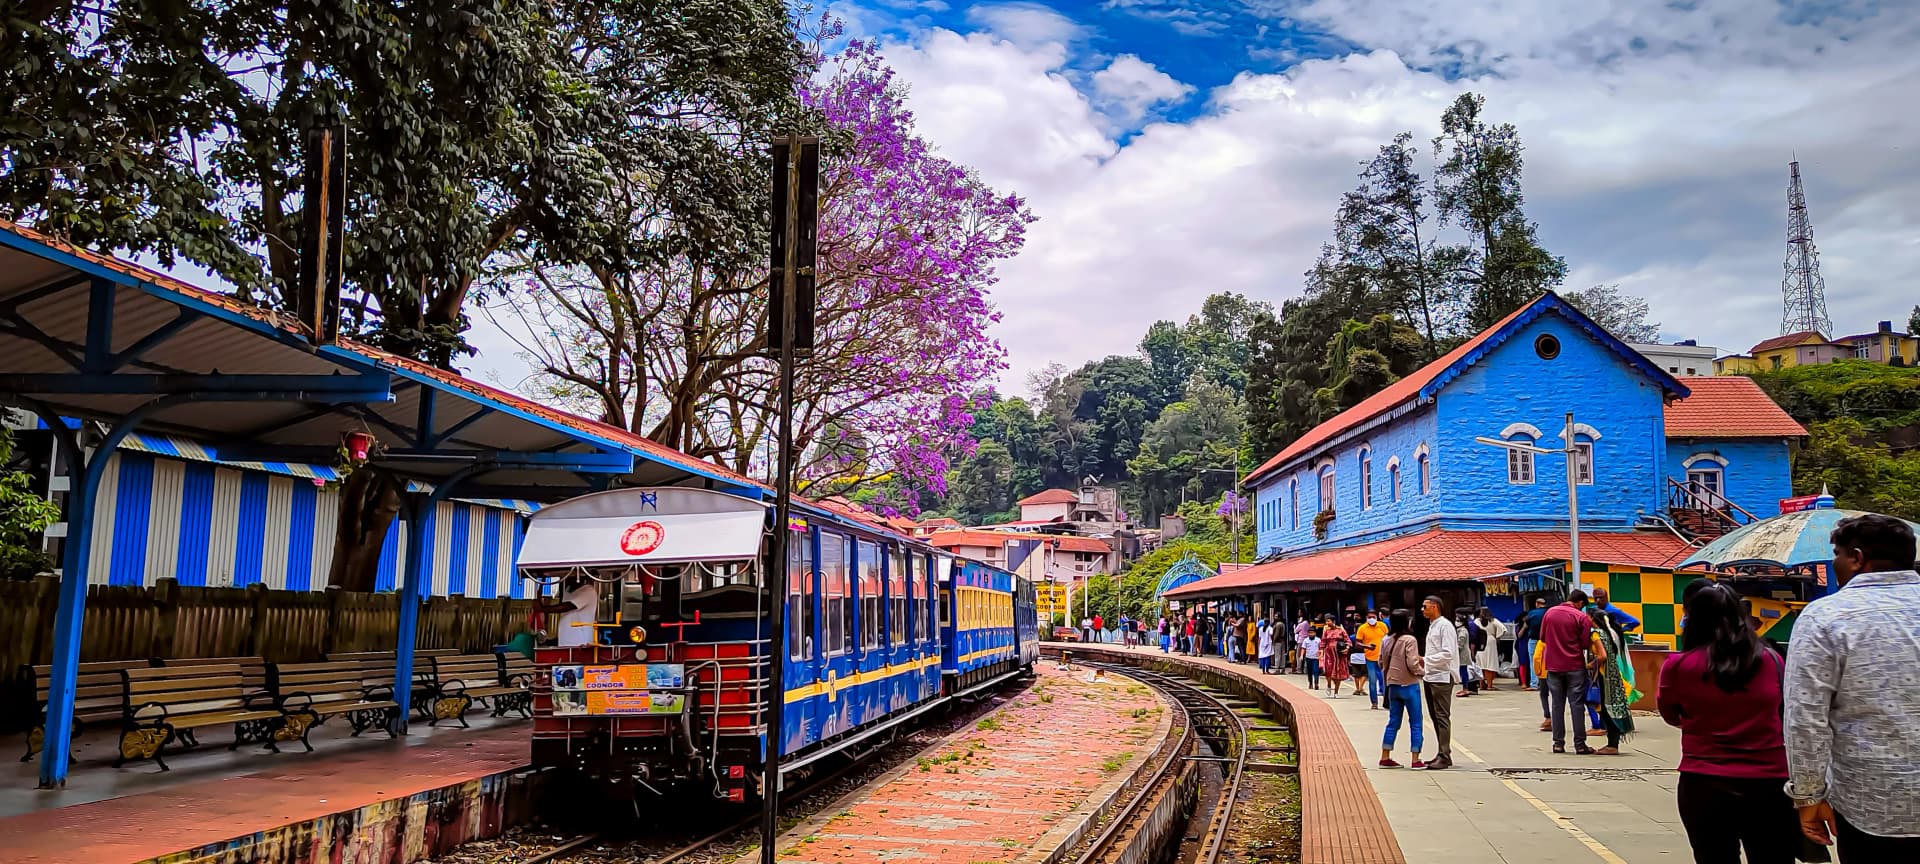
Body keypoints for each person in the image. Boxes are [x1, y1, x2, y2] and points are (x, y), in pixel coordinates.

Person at [1785, 514, 1920, 860]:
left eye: (1837, 554)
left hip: (1872, 803)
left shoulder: (1824, 618)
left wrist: (1808, 796)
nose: (1835, 564)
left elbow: (1806, 718)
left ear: (1857, 557)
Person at [1658, 582, 1797, 864]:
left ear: (1691, 618)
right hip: (1769, 784)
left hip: (1703, 784)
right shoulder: (1771, 660)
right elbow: (1787, 712)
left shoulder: (1677, 666)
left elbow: (1672, 716)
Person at [1541, 589, 1595, 754]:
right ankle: (1580, 745)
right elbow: (1585, 643)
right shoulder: (1580, 617)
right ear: (1579, 603)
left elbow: (1542, 637)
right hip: (1574, 665)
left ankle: (1558, 743)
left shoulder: (1549, 613)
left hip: (1553, 666)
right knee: (1576, 705)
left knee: (1557, 705)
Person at [1377, 608, 1426, 768]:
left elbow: (1380, 662)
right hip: (1409, 685)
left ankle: (1385, 756)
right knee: (1416, 722)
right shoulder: (1409, 640)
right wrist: (1422, 672)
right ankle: (1415, 759)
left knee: (1393, 721)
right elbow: (1412, 663)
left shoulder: (1386, 639)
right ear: (1407, 622)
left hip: (1392, 686)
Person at [1585, 605, 1635, 755]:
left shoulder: (1596, 634)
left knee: (1607, 710)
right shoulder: (1609, 633)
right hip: (1613, 675)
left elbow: (1602, 656)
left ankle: (1612, 745)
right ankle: (1612, 743)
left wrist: (1589, 665)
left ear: (1593, 619)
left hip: (1604, 676)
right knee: (1611, 708)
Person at [1419, 596, 1457, 769]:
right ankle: (1442, 753)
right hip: (1430, 675)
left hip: (1442, 676)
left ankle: (1444, 753)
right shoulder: (1433, 626)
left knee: (1442, 716)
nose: (1422, 609)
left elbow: (1448, 653)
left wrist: (1425, 660)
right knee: (1435, 716)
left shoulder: (1445, 626)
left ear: (1434, 607)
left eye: (1425, 606)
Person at [536, 575, 602, 647]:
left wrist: (542, 609)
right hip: (565, 641)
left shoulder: (588, 590)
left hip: (581, 642)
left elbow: (567, 606)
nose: (566, 579)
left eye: (569, 576)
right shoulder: (567, 590)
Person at [1356, 610, 1389, 710]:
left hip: (1383, 658)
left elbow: (1388, 639)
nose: (1372, 619)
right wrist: (1367, 646)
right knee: (1373, 681)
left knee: (1385, 680)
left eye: (1373, 617)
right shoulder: (1362, 628)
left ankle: (1387, 702)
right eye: (1369, 617)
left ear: (1377, 617)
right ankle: (1374, 702)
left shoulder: (1382, 626)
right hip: (1370, 658)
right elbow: (1357, 643)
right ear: (1366, 618)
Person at [1519, 597, 1549, 691]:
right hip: (1546, 641)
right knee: (1546, 662)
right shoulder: (1549, 613)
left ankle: (1534, 684)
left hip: (1533, 640)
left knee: (1533, 661)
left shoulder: (1531, 613)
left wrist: (1521, 633)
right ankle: (1547, 683)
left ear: (1537, 603)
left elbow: (1525, 625)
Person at [1475, 608, 1508, 691]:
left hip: (1480, 641)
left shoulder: (1477, 621)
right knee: (1490, 664)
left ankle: (1481, 684)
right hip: (1490, 641)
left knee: (1480, 664)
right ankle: (1489, 685)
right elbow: (1503, 629)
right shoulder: (1493, 620)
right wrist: (1497, 636)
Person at [1319, 614, 1351, 696]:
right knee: (1328, 671)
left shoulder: (1341, 630)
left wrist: (1347, 648)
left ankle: (1336, 691)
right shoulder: (1326, 631)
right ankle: (1329, 685)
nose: (1327, 623)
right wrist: (1321, 653)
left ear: (1333, 621)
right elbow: (1323, 642)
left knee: (1339, 673)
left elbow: (1348, 641)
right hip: (1329, 655)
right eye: (1326, 621)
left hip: (1339, 655)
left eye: (1329, 621)